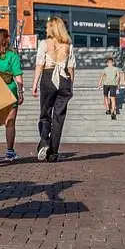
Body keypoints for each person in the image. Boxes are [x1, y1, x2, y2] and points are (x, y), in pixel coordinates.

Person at [31, 16, 77, 162]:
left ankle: (44, 141)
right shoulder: (68, 45)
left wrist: (34, 85)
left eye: (46, 27)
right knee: (59, 117)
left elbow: (40, 64)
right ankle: (53, 153)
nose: (45, 29)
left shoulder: (44, 43)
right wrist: (70, 86)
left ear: (52, 28)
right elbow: (71, 67)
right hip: (64, 79)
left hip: (48, 77)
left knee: (45, 114)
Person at [0, 27, 25, 162]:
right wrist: (21, 93)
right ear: (5, 39)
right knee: (10, 123)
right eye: (8, 36)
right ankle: (9, 152)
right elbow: (18, 77)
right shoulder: (13, 55)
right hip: (10, 89)